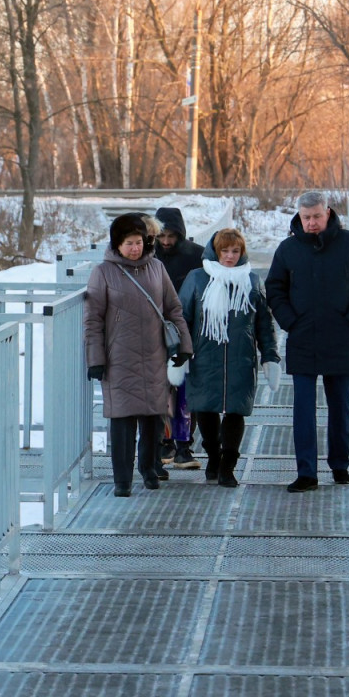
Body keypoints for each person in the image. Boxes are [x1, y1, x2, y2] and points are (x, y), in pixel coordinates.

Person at [264, 191, 349, 492]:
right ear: (299, 217)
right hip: (302, 336)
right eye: (306, 218)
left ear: (327, 213)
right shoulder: (288, 248)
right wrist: (290, 321)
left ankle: (340, 465)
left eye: (316, 216)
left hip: (341, 336)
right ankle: (307, 472)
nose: (312, 223)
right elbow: (275, 287)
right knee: (303, 408)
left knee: (340, 405)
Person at [85, 213, 193, 497]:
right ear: (117, 244)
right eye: (129, 243)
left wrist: (183, 347)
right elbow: (93, 319)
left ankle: (149, 469)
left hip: (155, 355)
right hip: (118, 358)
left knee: (153, 418)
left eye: (139, 242)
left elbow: (173, 309)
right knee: (122, 422)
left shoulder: (156, 268)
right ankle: (122, 480)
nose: (135, 248)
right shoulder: (103, 273)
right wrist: (95, 359)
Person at [177, 228, 280, 487]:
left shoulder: (252, 281)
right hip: (204, 356)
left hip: (240, 358)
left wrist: (270, 356)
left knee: (236, 412)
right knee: (206, 410)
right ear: (215, 251)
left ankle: (228, 466)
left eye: (235, 251)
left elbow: (263, 323)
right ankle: (213, 455)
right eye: (225, 251)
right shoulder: (197, 278)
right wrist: (179, 353)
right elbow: (182, 318)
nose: (230, 257)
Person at [154, 207, 205, 470]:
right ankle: (165, 441)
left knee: (185, 388)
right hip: (155, 330)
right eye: (161, 236)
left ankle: (184, 443)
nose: (165, 242)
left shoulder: (196, 256)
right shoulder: (149, 255)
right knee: (162, 388)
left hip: (187, 328)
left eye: (171, 236)